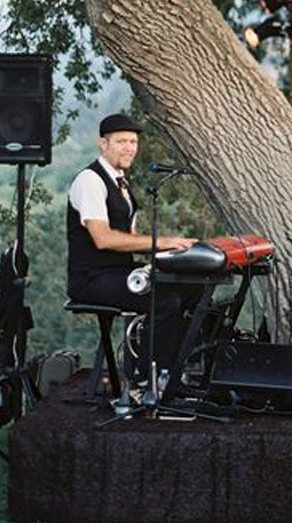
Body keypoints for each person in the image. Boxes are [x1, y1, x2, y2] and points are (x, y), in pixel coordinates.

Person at [67, 113, 198, 380]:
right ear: (103, 144)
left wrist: (171, 253)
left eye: (133, 142)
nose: (130, 148)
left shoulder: (121, 182)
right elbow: (103, 238)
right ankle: (145, 380)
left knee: (192, 289)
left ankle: (173, 371)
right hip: (92, 279)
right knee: (166, 301)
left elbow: (128, 240)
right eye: (121, 141)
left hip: (117, 273)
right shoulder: (90, 180)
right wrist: (160, 242)